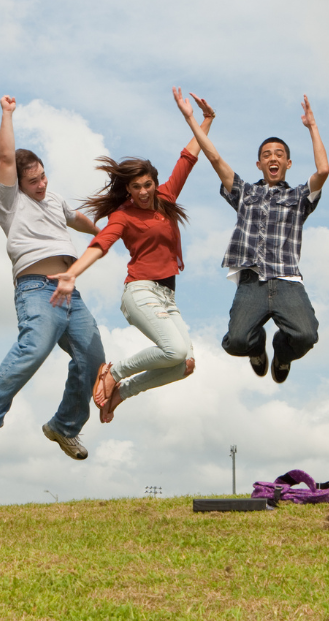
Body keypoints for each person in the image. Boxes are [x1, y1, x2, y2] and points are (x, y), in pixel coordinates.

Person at [47, 95, 216, 423]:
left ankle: (122, 392)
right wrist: (73, 273)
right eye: (136, 187)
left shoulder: (165, 197)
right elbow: (100, 244)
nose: (143, 192)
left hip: (168, 297)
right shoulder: (123, 216)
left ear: (155, 182)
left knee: (185, 365)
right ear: (128, 190)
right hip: (141, 292)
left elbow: (189, 155)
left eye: (147, 185)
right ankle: (113, 373)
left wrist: (206, 119)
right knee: (175, 350)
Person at [0, 95, 104, 459]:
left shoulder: (54, 198)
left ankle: (64, 426)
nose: (40, 184)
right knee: (34, 347)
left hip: (70, 290)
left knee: (93, 360)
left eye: (43, 176)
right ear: (18, 184)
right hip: (36, 290)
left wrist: (104, 231)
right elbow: (7, 159)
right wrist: (7, 114)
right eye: (33, 181)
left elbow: (77, 221)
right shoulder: (10, 202)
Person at [174, 87, 329, 383]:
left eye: (280, 155)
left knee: (307, 335)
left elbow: (323, 170)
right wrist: (192, 120)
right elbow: (214, 158)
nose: (273, 158)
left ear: (288, 163)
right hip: (252, 282)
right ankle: (257, 347)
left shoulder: (298, 197)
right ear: (259, 164)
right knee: (237, 343)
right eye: (267, 155)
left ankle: (281, 354)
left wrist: (312, 126)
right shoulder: (246, 193)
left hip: (286, 281)